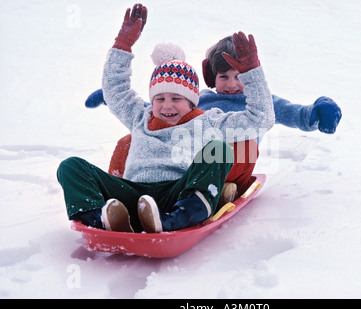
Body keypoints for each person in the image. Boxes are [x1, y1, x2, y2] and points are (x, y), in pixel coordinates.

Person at [57, 4, 274, 233]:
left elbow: (261, 119)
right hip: (133, 192)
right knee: (71, 167)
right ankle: (99, 218)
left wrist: (252, 71)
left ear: (192, 101)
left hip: (178, 192)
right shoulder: (140, 117)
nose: (167, 105)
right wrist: (122, 46)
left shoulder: (207, 122)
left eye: (176, 98)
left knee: (219, 150)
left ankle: (177, 218)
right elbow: (115, 90)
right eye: (159, 98)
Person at [85, 37, 342, 199]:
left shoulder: (259, 100)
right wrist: (113, 97)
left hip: (230, 164)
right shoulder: (200, 99)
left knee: (243, 144)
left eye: (239, 77)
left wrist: (314, 114)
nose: (232, 85)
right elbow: (161, 112)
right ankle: (120, 192)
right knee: (130, 140)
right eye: (224, 77)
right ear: (211, 76)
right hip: (187, 162)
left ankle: (215, 192)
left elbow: (292, 113)